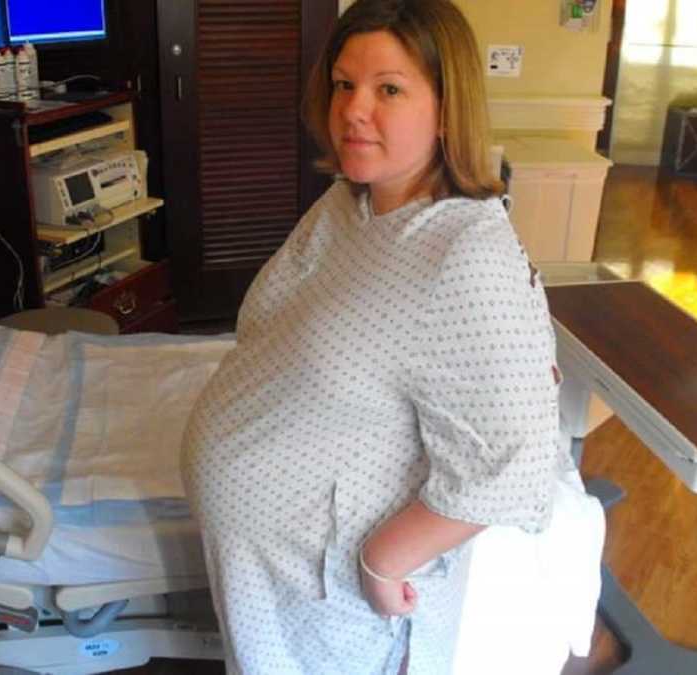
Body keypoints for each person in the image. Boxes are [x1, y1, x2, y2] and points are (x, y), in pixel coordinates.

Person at [181, 1, 574, 672]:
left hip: (333, 601)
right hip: (272, 571)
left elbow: (516, 461)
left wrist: (385, 557)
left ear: (448, 109)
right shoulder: (350, 203)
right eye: (343, 84)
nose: (354, 109)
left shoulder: (463, 255)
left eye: (388, 88)